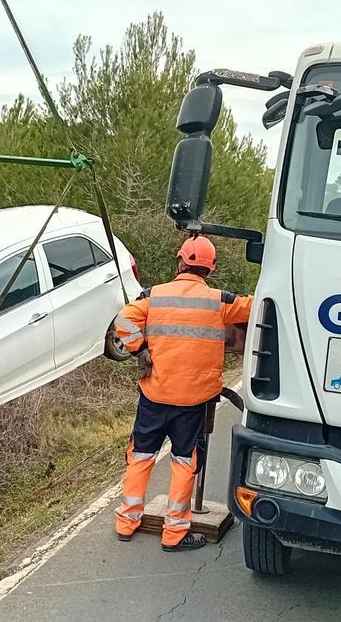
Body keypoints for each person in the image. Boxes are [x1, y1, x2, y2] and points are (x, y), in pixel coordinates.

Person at [112, 235, 253, 552]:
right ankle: (174, 533)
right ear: (210, 269)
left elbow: (123, 320)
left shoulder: (153, 296)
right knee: (184, 462)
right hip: (193, 401)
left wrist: (139, 348)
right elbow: (258, 305)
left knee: (141, 456)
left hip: (155, 394)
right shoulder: (220, 301)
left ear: (180, 262)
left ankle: (127, 522)